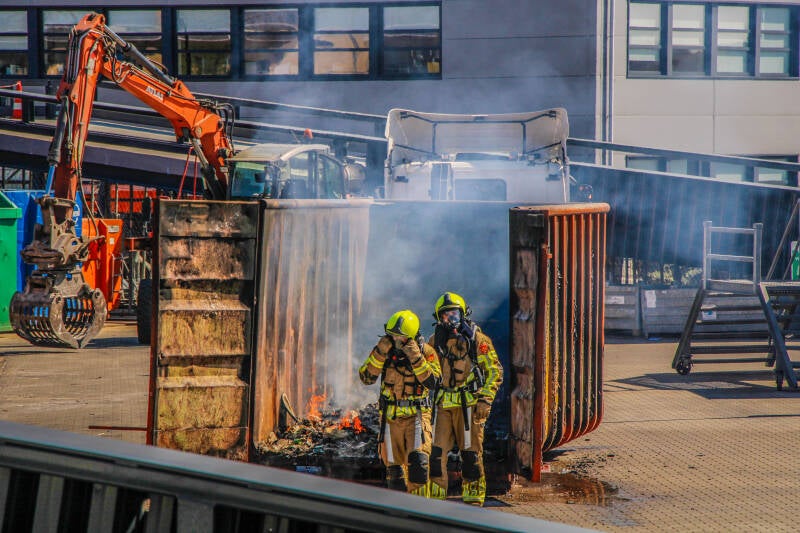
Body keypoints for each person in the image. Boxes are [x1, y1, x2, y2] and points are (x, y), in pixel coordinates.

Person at [428, 292, 503, 506]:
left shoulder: (477, 340)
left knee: (470, 457)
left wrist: (485, 400)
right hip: (443, 407)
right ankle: (434, 503)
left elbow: (495, 372)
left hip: (469, 407)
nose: (450, 319)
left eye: (454, 314)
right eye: (445, 316)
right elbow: (425, 373)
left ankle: (473, 502)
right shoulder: (435, 341)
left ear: (463, 313)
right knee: (435, 456)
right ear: (438, 318)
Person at [359, 310, 441, 497]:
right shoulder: (385, 351)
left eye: (401, 338)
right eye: (393, 335)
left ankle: (421, 512)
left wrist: (415, 357)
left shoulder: (426, 352)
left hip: (417, 417)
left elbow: (433, 382)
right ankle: (399, 514)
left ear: (411, 338)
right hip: (390, 418)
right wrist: (380, 353)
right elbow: (366, 377)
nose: (396, 340)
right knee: (394, 473)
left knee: (418, 467)